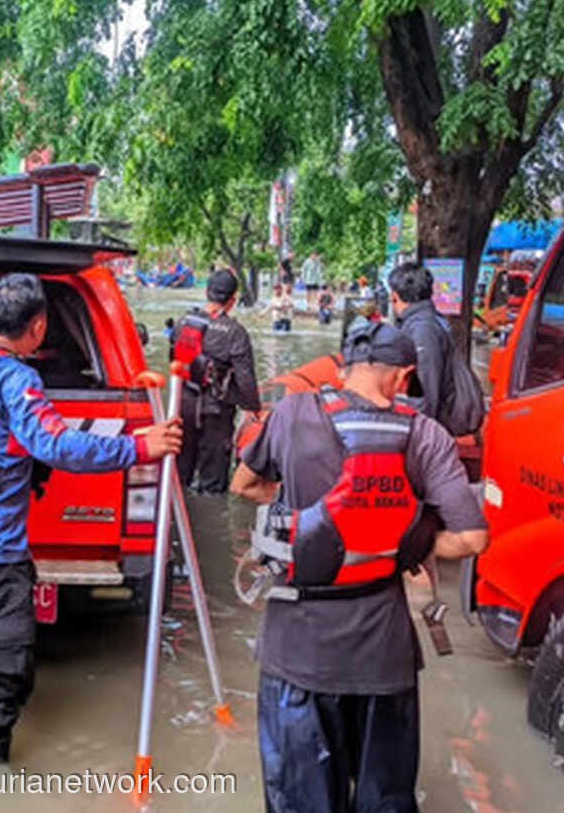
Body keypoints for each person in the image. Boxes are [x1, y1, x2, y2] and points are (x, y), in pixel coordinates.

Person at [0, 273, 182, 765]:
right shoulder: (16, 379)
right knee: (1, 671)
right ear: (40, 327)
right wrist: (140, 446)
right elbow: (56, 444)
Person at [231, 322, 487, 813]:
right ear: (404, 375)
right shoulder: (426, 435)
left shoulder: (289, 413)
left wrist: (299, 514)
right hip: (384, 659)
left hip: (297, 654)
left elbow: (243, 484)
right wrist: (400, 541)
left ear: (343, 367)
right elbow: (473, 538)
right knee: (384, 801)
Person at [177, 268, 261, 494]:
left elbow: (175, 362)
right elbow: (245, 377)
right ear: (232, 300)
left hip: (183, 407)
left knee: (179, 475)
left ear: (207, 292)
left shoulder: (184, 322)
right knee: (213, 483)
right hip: (216, 411)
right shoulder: (235, 332)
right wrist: (253, 408)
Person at [388, 261, 451, 426]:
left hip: (425, 423)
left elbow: (427, 389)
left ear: (394, 296)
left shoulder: (423, 329)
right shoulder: (426, 320)